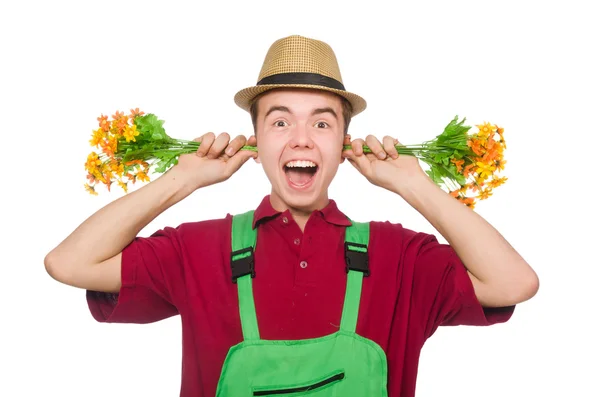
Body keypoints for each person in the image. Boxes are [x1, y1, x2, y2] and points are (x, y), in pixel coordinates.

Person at [44, 35, 539, 396]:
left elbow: (512, 283)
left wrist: (415, 186)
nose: (301, 138)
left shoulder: (400, 255)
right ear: (257, 143)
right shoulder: (196, 249)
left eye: (321, 123)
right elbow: (70, 264)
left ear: (343, 145)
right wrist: (184, 179)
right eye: (280, 121)